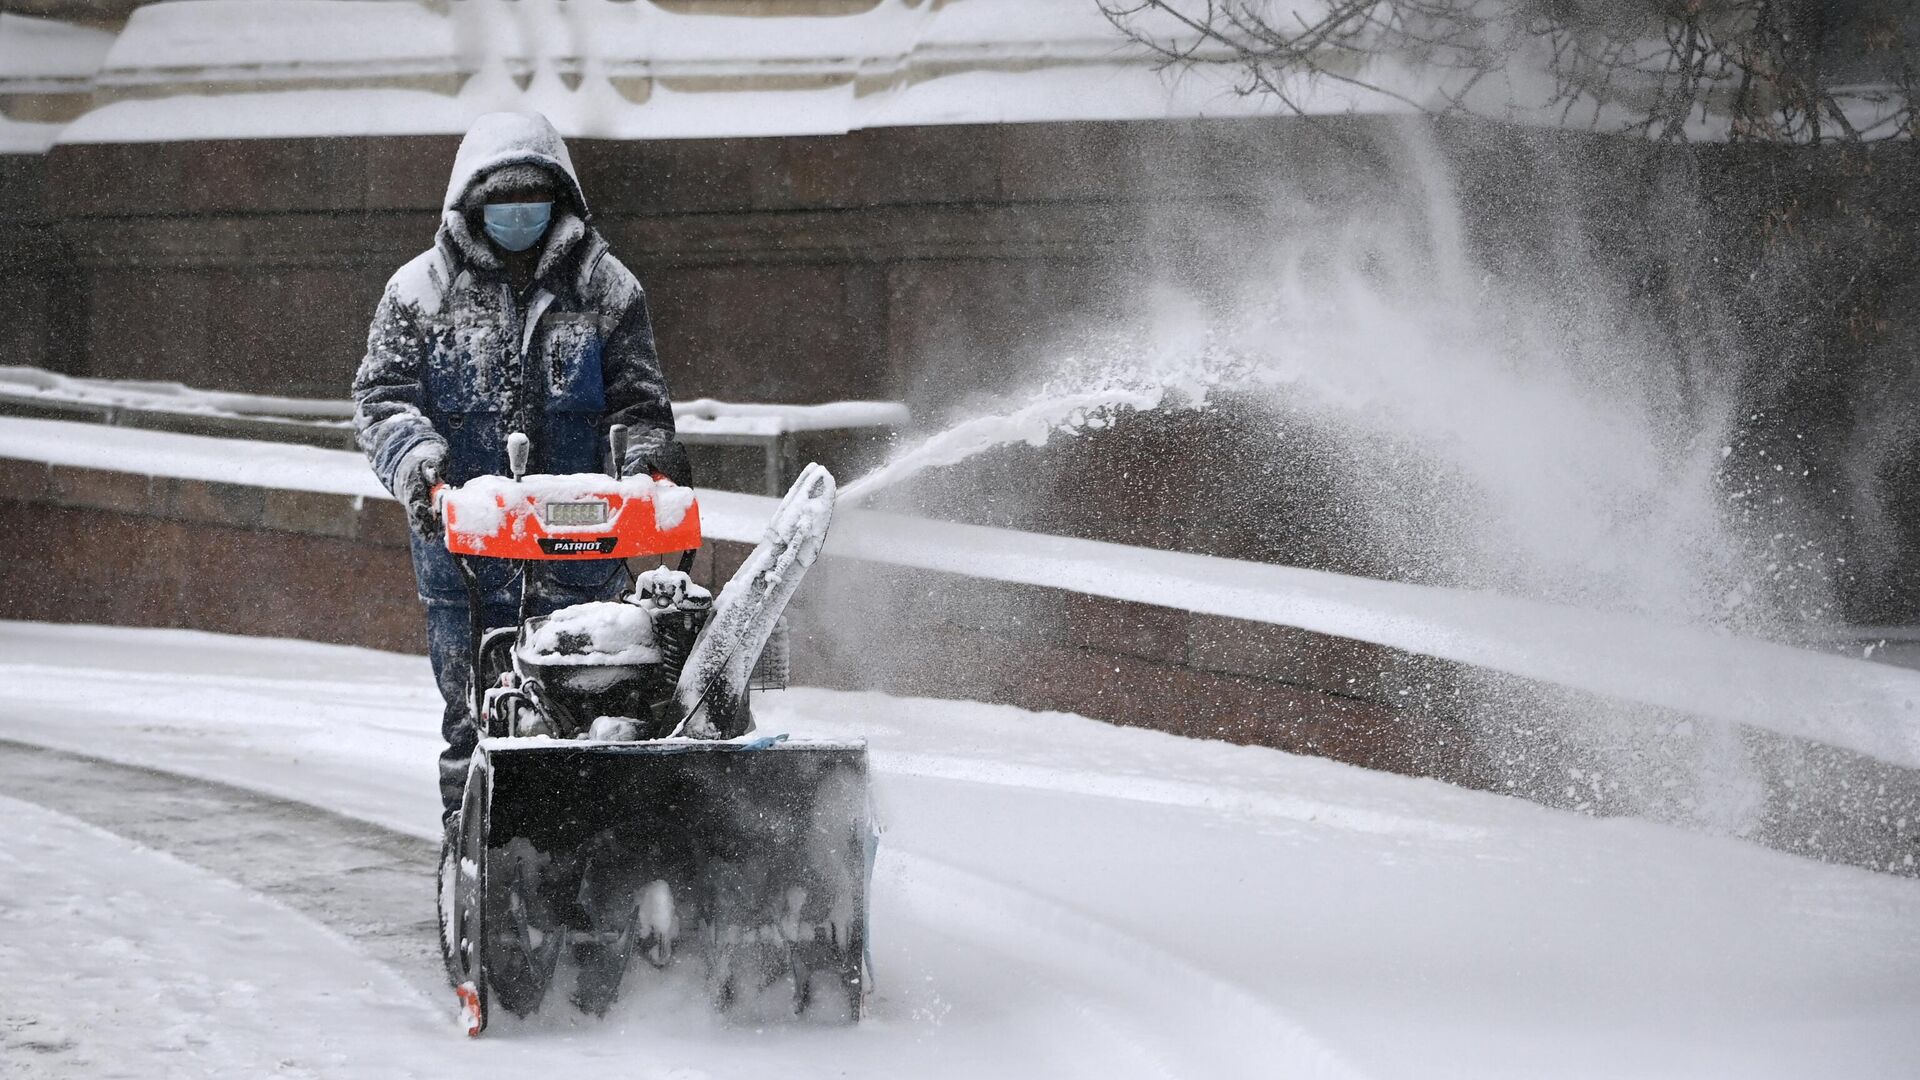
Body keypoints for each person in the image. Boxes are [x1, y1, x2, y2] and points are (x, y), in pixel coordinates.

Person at [351, 111, 691, 824]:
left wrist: (646, 467)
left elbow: (639, 401)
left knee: (590, 704)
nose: (517, 216)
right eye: (501, 204)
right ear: (471, 206)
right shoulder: (419, 293)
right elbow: (382, 400)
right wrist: (420, 464)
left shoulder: (606, 290)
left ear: (559, 202)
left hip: (583, 551)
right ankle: (471, 848)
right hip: (464, 558)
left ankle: (585, 843)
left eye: (531, 202)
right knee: (471, 713)